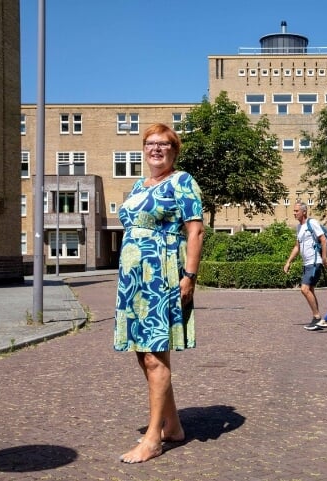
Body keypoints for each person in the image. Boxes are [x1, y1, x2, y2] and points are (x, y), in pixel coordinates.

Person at [114, 123, 204, 463]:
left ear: (174, 150)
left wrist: (189, 276)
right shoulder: (139, 185)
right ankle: (175, 426)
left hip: (161, 277)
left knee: (154, 354)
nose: (156, 149)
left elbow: (194, 231)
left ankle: (153, 439)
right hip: (133, 281)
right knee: (143, 353)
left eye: (163, 144)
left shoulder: (182, 182)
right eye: (150, 143)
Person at [283, 201, 327, 330]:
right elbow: (297, 246)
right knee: (310, 290)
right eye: (294, 211)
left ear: (304, 211)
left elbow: (323, 240)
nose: (294, 213)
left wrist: (324, 258)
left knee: (304, 289)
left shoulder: (312, 223)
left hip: (314, 262)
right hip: (306, 263)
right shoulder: (299, 227)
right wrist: (288, 262)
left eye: (296, 211)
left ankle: (317, 317)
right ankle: (317, 318)